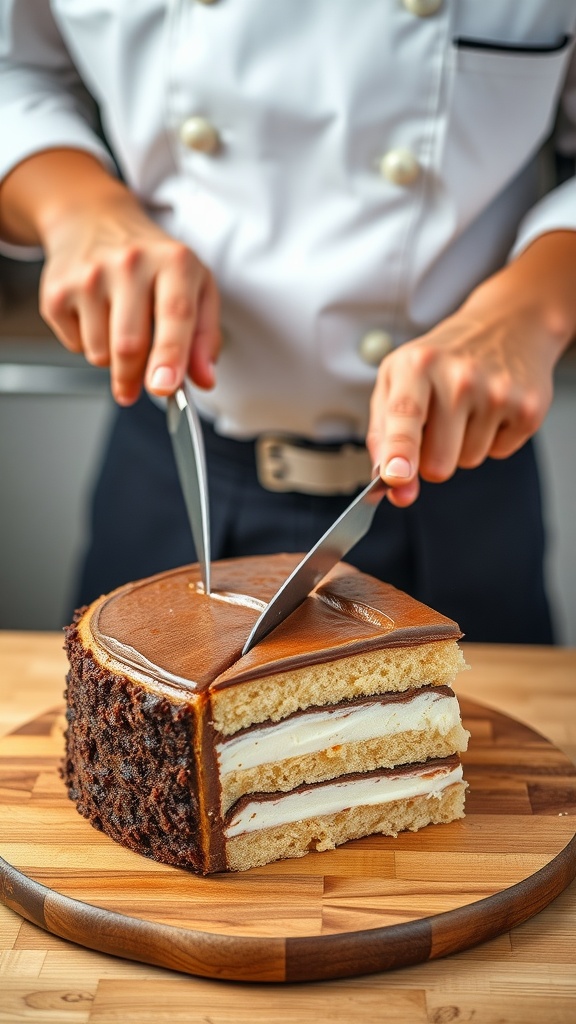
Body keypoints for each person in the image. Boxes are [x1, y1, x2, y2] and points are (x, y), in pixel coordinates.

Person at [0, 1, 575, 643]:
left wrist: (532, 309)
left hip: (459, 477)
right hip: (174, 457)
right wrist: (76, 207)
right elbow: (13, 70)